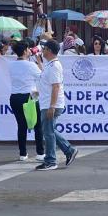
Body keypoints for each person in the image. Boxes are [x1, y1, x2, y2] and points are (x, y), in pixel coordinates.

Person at [35, 39, 78, 171]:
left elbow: (56, 87)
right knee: (50, 131)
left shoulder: (54, 66)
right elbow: (47, 81)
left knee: (48, 132)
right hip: (47, 102)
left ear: (50, 50)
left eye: (45, 49)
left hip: (50, 104)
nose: (43, 51)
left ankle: (51, 160)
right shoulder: (50, 65)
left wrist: (52, 106)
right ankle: (68, 150)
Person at [9, 40, 45, 161]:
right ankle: (40, 153)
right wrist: (39, 62)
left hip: (14, 97)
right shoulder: (31, 65)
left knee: (21, 125)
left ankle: (22, 154)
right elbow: (42, 76)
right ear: (24, 51)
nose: (30, 50)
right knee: (37, 125)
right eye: (28, 49)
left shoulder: (10, 64)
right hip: (30, 96)